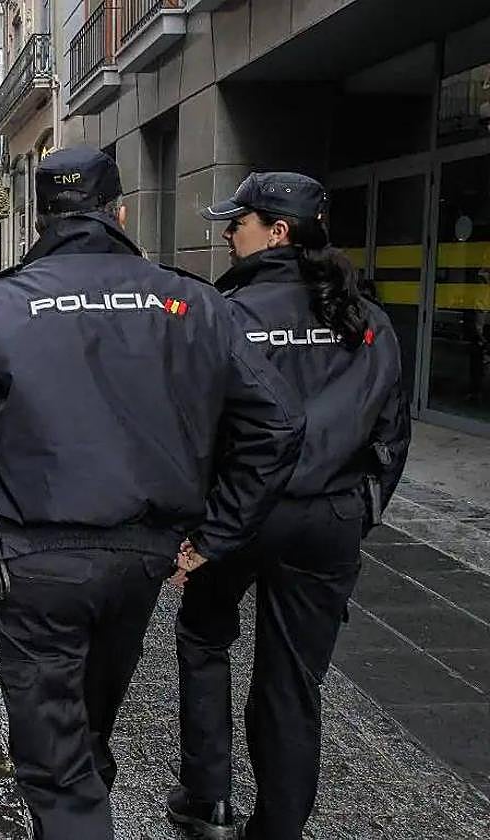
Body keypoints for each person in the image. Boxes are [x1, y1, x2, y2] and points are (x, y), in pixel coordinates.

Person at [0, 146, 305, 840]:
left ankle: (75, 794)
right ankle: (84, 763)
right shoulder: (192, 301)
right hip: (141, 556)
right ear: (119, 211)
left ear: (42, 215)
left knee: (58, 761)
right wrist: (213, 535)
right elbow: (279, 420)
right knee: (87, 717)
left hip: (34, 561)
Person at [167, 173, 411, 840]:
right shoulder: (367, 317)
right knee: (293, 681)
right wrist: (361, 509)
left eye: (237, 221)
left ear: (277, 231)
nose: (225, 231)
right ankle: (278, 829)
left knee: (204, 638)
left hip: (239, 515)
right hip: (328, 519)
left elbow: (193, 430)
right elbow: (392, 432)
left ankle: (208, 796)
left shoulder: (227, 314)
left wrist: (200, 529)